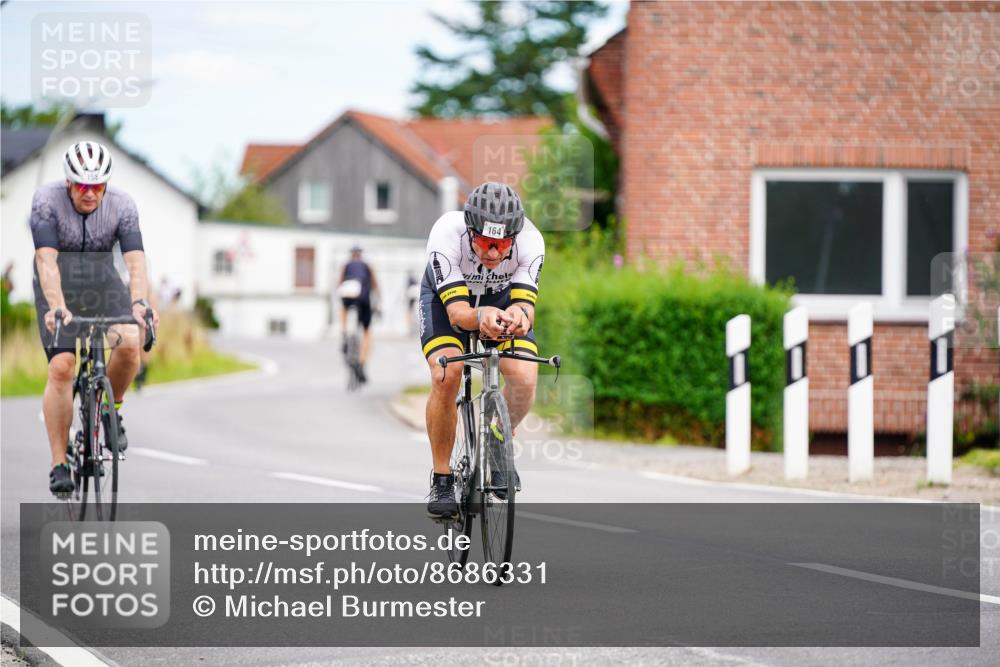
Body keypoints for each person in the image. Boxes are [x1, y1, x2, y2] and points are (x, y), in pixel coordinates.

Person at [32, 141, 159, 495]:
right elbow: (45, 259)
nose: (91, 193)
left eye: (98, 186)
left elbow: (135, 260)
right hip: (58, 283)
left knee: (131, 342)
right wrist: (57, 304)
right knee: (62, 367)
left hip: (103, 281)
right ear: (69, 183)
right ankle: (59, 462)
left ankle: (109, 408)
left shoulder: (123, 205)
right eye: (83, 186)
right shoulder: (46, 201)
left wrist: (139, 302)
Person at [420, 182, 544, 518]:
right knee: (447, 373)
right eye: (484, 243)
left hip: (500, 299)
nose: (491, 253)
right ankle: (442, 479)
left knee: (525, 376)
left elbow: (525, 307)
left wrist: (519, 317)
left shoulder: (531, 242)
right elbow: (458, 314)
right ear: (470, 230)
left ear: (514, 237)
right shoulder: (447, 233)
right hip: (448, 300)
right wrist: (480, 317)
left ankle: (496, 439)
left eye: (501, 244)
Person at [337, 245, 378, 383]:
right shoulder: (367, 266)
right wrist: (378, 303)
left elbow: (338, 283)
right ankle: (362, 362)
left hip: (347, 292)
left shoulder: (346, 265)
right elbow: (375, 285)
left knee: (343, 307)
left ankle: (343, 333)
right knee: (367, 331)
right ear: (360, 255)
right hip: (363, 296)